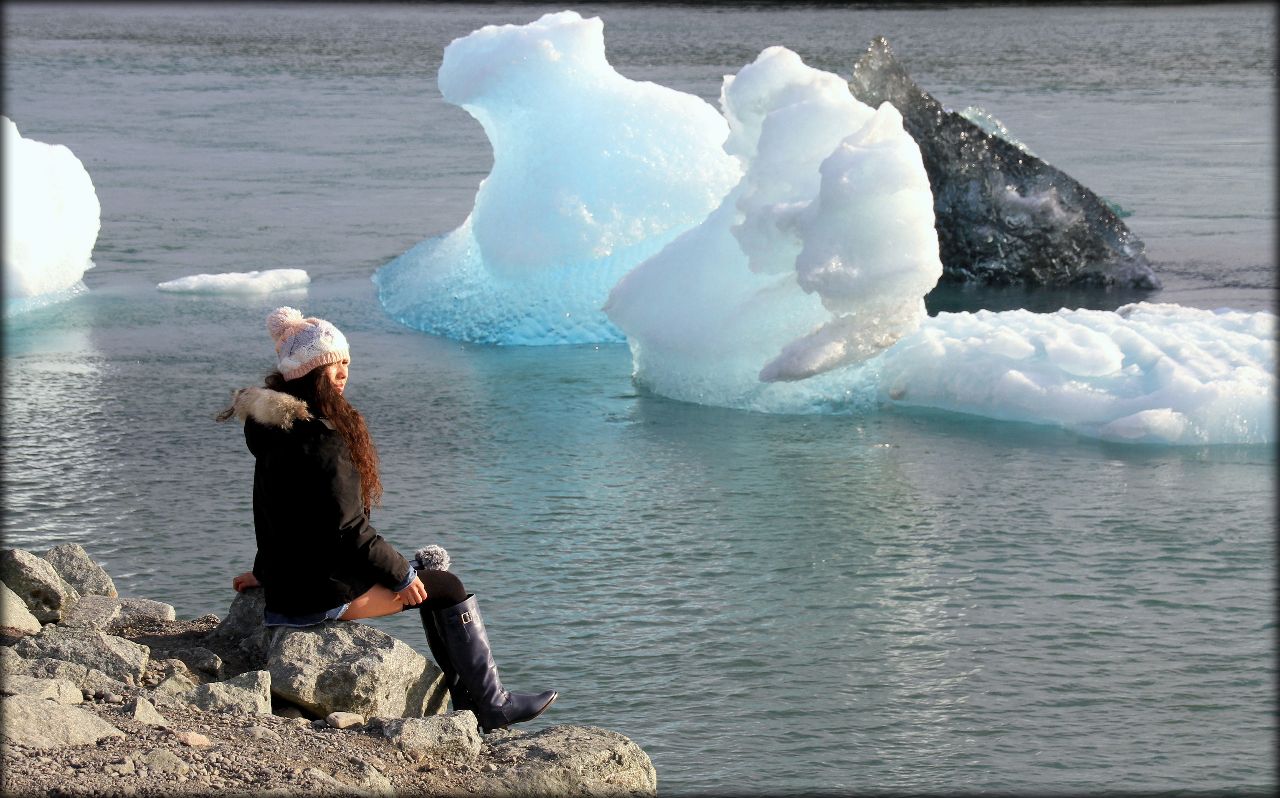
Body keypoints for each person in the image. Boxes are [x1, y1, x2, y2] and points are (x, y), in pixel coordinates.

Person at [219, 306, 555, 732]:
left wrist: (264, 571)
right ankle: (492, 704)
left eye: (346, 362)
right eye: (332, 364)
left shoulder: (273, 430)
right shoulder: (322, 438)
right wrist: (400, 576)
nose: (342, 373)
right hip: (317, 593)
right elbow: (346, 529)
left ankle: (474, 701)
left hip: (293, 582)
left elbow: (282, 513)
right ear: (307, 371)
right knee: (444, 586)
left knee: (428, 579)